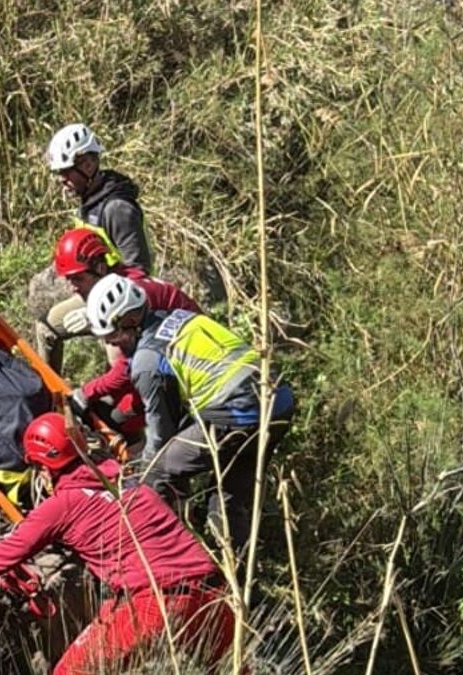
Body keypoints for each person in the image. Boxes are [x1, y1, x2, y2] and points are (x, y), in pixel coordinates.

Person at [0, 412, 233, 674]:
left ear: (42, 466)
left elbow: (6, 553)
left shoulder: (62, 505)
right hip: (212, 592)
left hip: (153, 601)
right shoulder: (132, 484)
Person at [85, 274, 295, 552]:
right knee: (227, 500)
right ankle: (236, 568)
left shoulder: (147, 360)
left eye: (113, 336)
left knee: (159, 470)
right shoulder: (180, 318)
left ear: (131, 320)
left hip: (240, 412)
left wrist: (138, 477)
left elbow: (161, 437)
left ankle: (163, 552)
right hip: (278, 402)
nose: (113, 345)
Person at [52, 228, 199, 435]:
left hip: (185, 362)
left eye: (78, 279)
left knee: (119, 419)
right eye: (69, 280)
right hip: (165, 352)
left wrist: (85, 393)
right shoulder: (120, 284)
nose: (72, 287)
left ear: (100, 268)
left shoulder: (132, 300)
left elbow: (126, 370)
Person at [36, 123, 152, 374]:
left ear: (88, 165)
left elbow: (140, 274)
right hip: (94, 291)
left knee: (117, 365)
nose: (61, 180)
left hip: (121, 302)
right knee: (47, 328)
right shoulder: (89, 200)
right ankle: (50, 391)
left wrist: (95, 314)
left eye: (66, 172)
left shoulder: (118, 210)